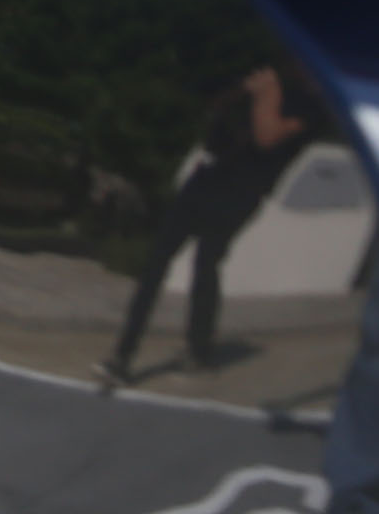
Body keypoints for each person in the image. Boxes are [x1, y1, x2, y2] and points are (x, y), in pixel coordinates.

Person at [105, 63, 313, 383]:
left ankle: (199, 349)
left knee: (206, 264)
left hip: (240, 194)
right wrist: (240, 93)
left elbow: (267, 137)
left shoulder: (306, 104)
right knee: (157, 260)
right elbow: (215, 109)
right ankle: (123, 354)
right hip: (207, 178)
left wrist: (267, 94)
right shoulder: (261, 77)